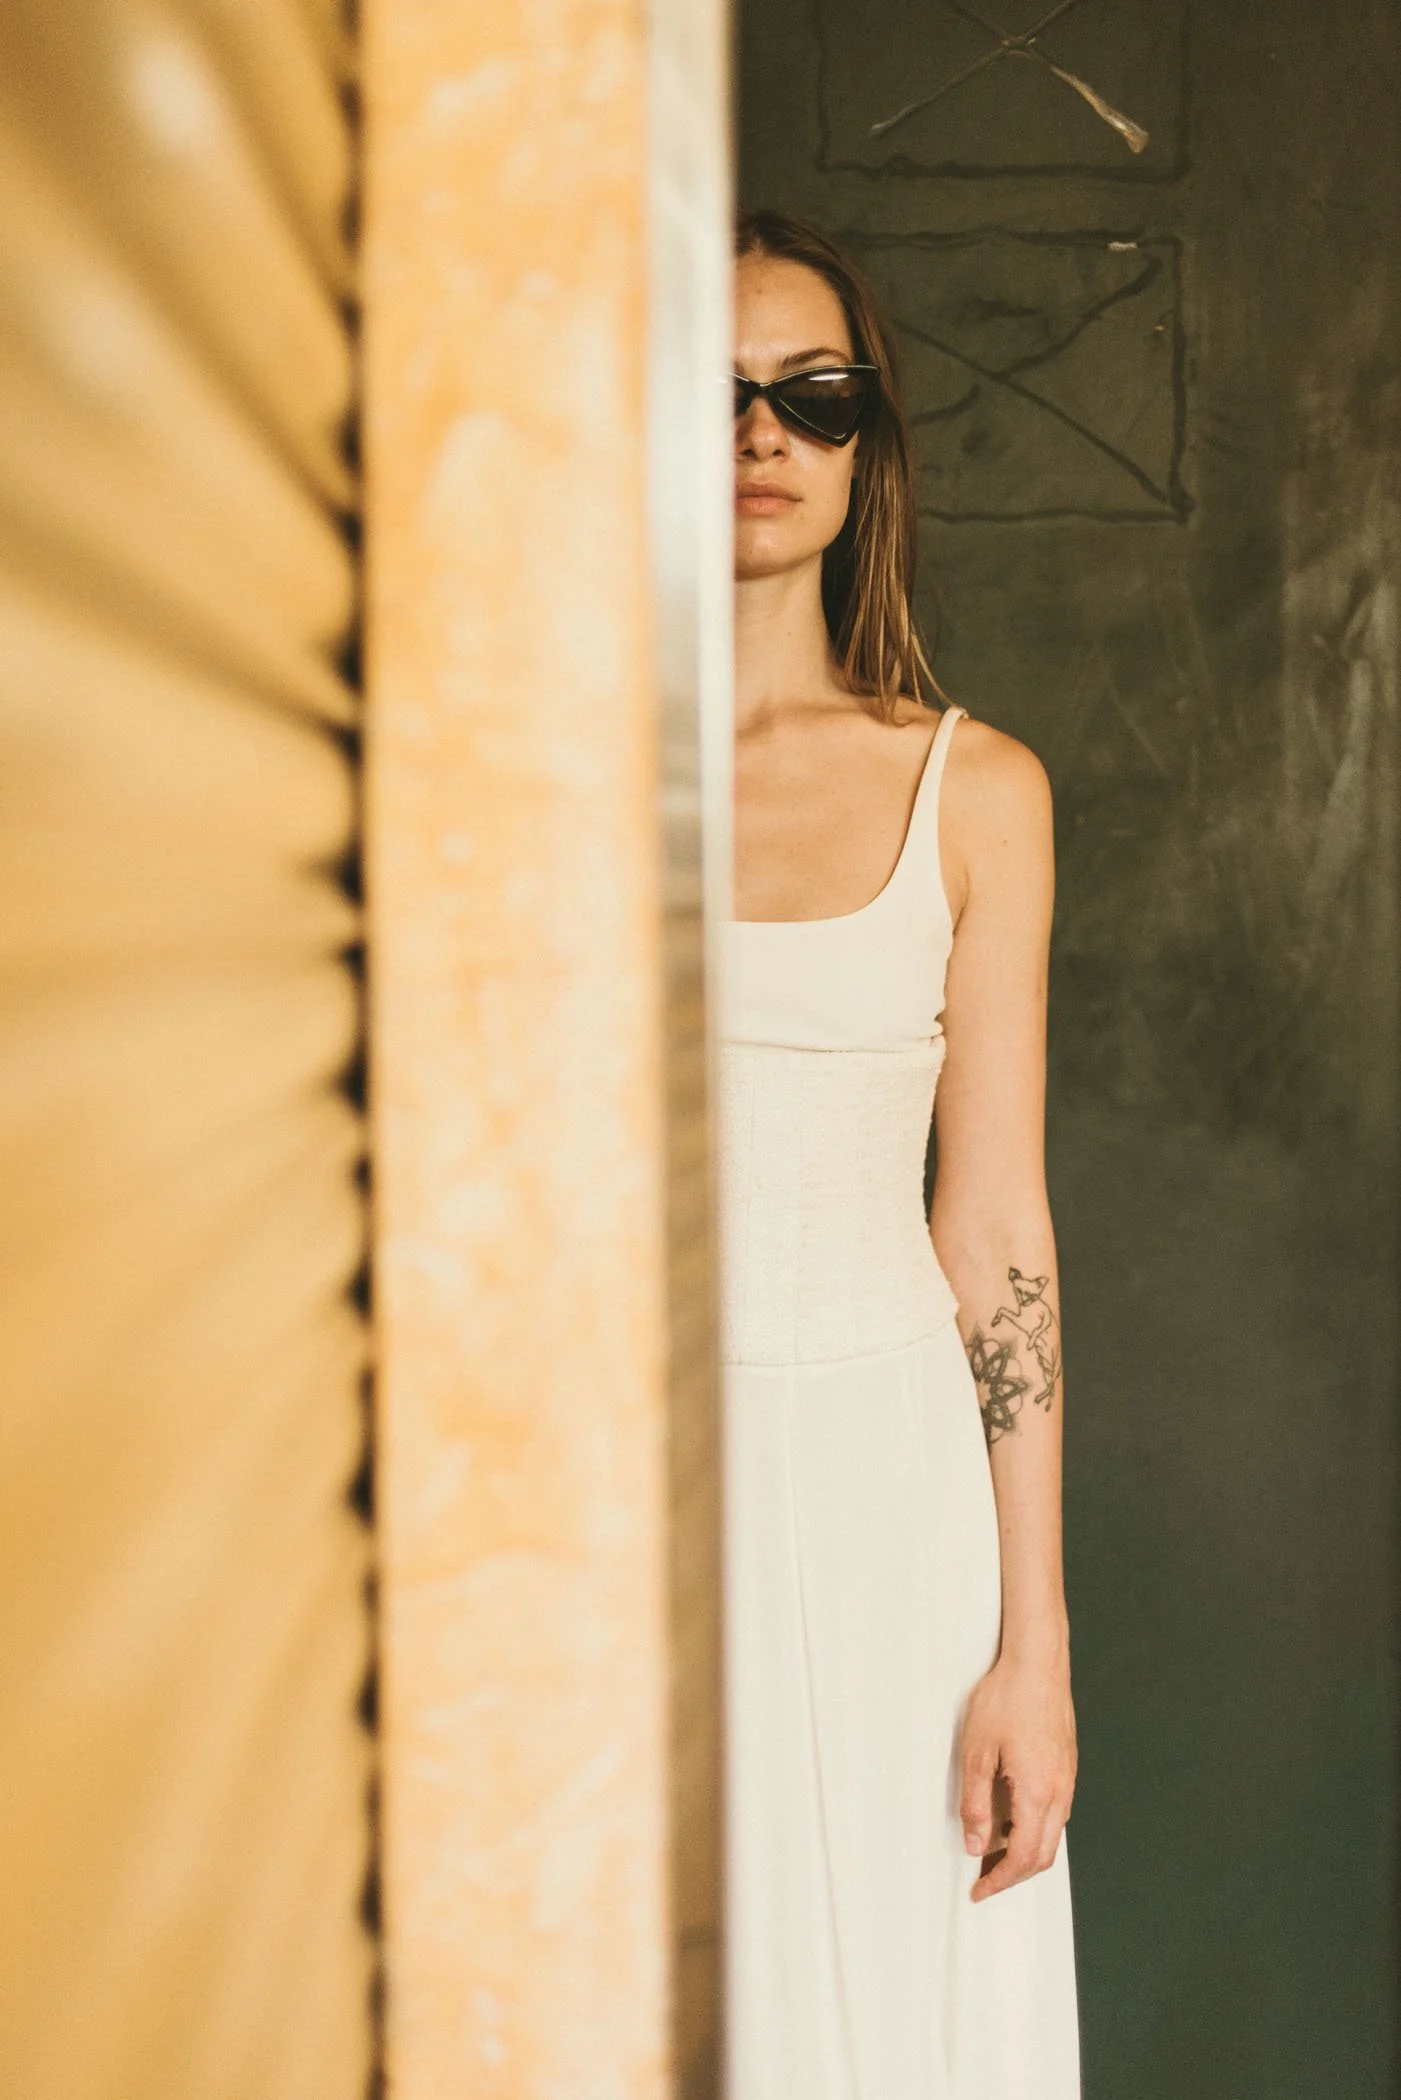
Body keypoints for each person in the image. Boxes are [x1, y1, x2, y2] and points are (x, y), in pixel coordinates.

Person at [719, 207, 1081, 2099]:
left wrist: (1036, 1640)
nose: (761, 432)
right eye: (706, 396)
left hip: (892, 1509)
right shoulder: (512, 777)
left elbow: (997, 1222)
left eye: (813, 390)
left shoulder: (977, 791)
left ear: (868, 447)